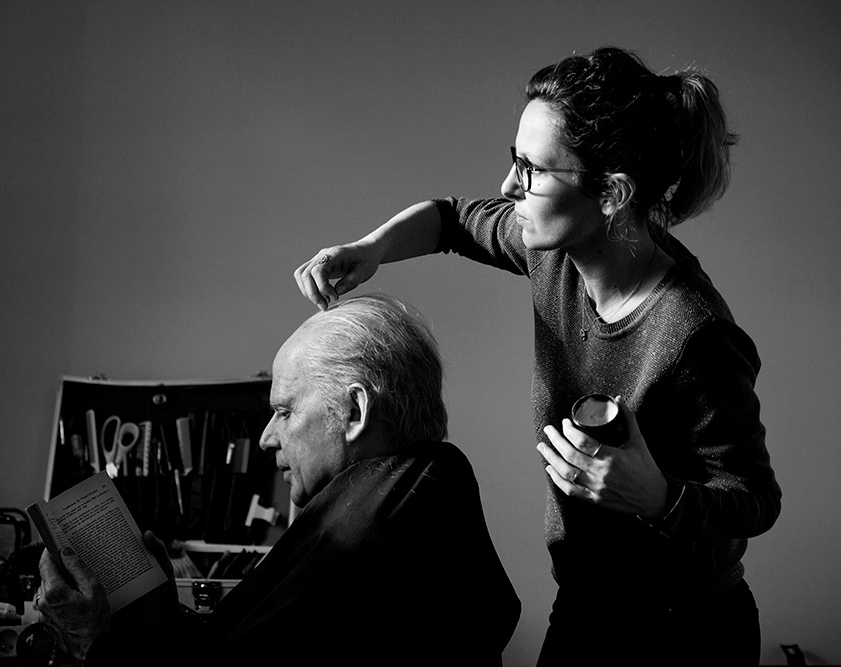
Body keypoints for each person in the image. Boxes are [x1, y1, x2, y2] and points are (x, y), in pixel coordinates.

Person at [294, 46, 781, 666]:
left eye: (532, 170)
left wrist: (657, 495)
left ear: (611, 193)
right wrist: (370, 248)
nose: (508, 187)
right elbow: (450, 220)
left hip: (685, 630)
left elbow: (756, 499)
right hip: (585, 609)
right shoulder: (550, 248)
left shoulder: (695, 334)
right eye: (513, 160)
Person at [36, 294, 521, 666]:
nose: (267, 438)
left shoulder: (373, 528)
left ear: (354, 411)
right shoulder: (408, 489)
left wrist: (92, 645)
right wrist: (165, 617)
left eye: (285, 412)